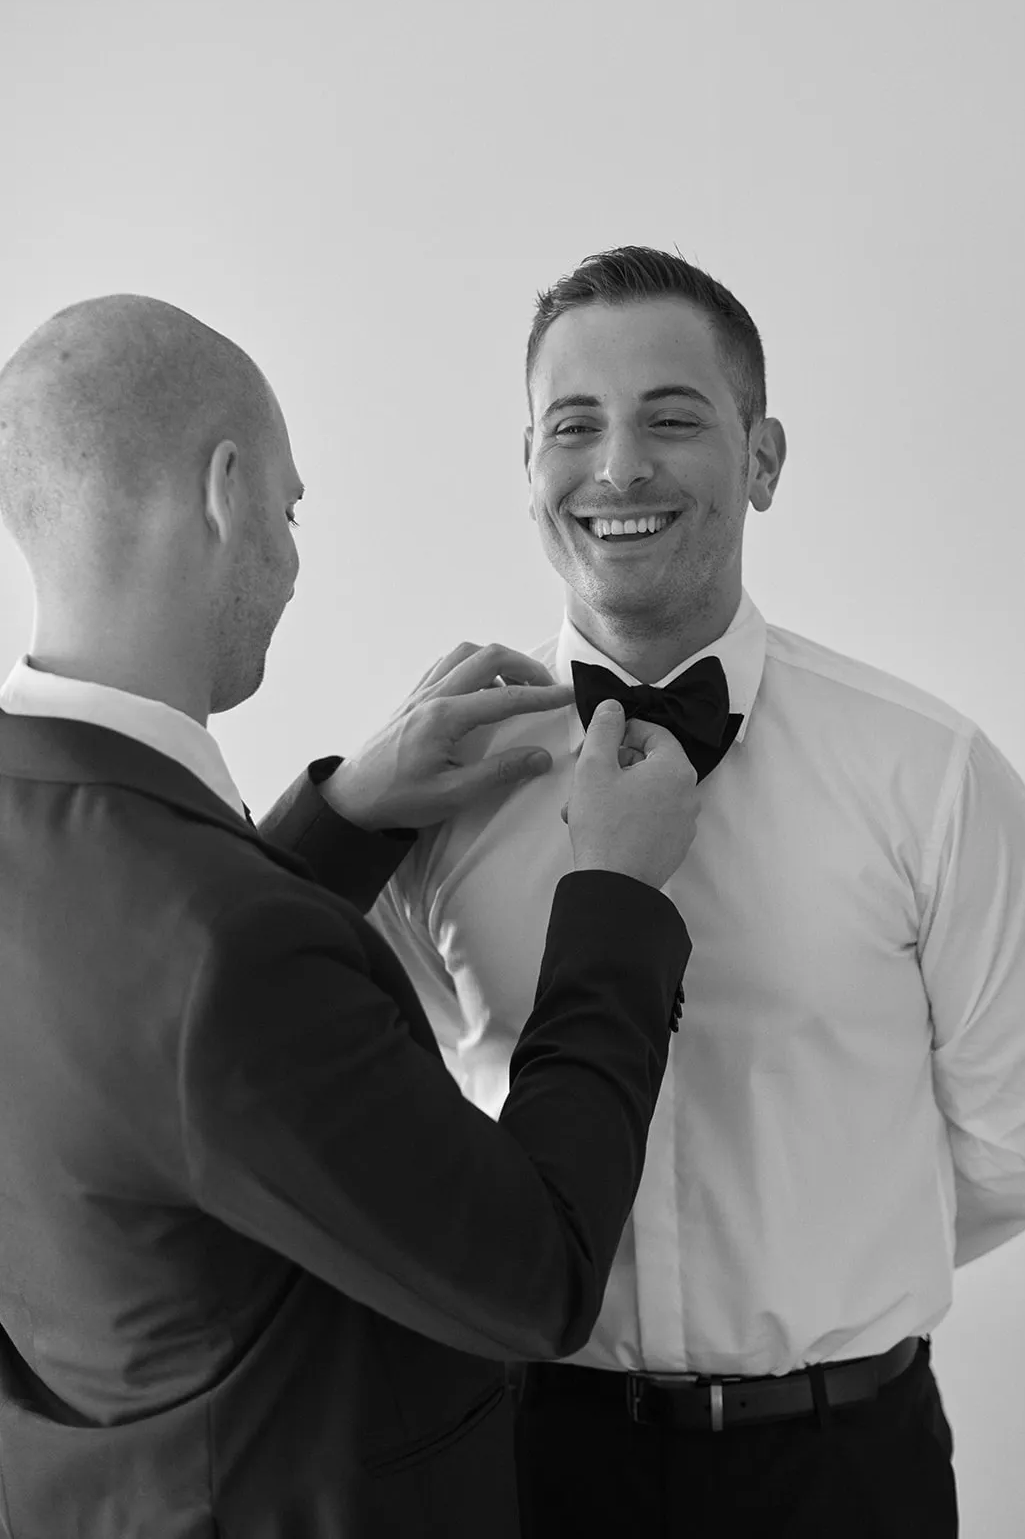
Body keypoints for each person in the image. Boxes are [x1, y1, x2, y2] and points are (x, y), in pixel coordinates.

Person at [367, 245, 1025, 1538]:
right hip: (527, 1463)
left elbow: (1019, 1145)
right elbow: (374, 1133)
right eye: (572, 425)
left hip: (843, 1469)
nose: (617, 466)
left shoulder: (932, 775)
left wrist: (827, 1266)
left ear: (762, 458)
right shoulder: (432, 787)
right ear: (527, 469)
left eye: (670, 418)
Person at [0, 293, 706, 1539]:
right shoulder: (222, 951)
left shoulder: (79, 849)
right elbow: (534, 1276)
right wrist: (610, 899)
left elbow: (145, 1028)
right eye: (286, 507)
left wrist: (340, 823)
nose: (288, 554)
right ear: (223, 492)